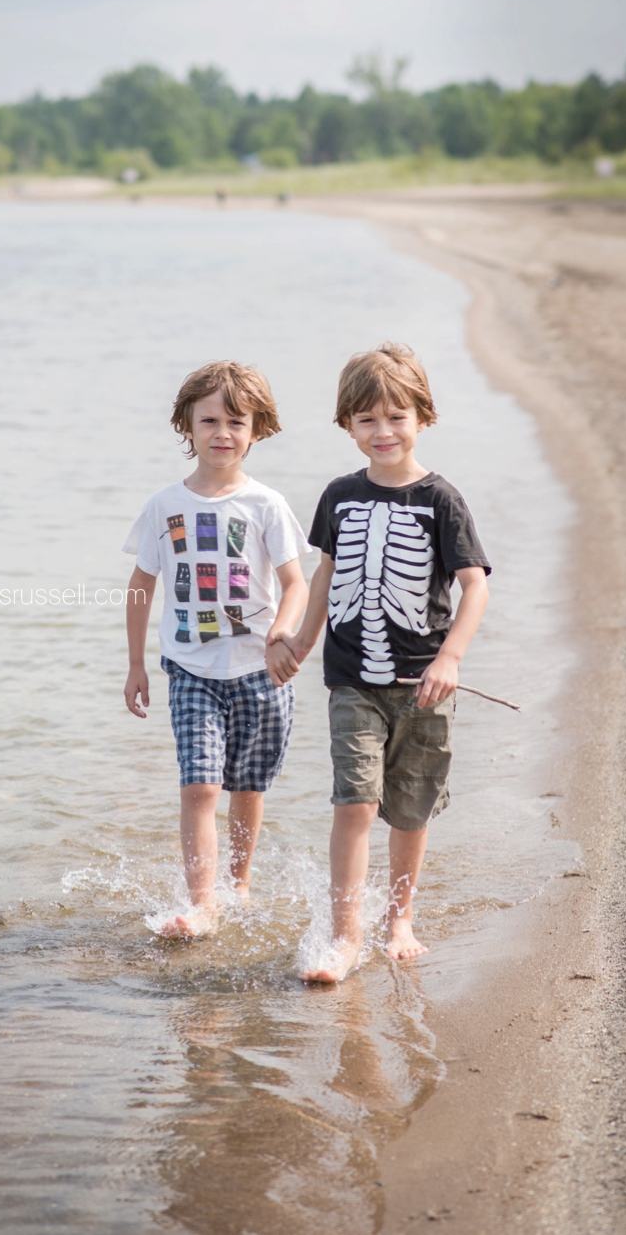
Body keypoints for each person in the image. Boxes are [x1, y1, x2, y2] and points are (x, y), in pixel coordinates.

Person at [284, 342, 490, 984]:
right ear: (347, 425)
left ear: (422, 417)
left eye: (396, 417)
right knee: (353, 802)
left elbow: (475, 583)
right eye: (367, 420)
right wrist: (299, 638)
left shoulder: (441, 500)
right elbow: (325, 574)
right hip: (351, 683)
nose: (383, 431)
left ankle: (399, 917)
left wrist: (451, 656)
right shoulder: (339, 496)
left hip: (423, 685)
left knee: (410, 808)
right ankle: (344, 935)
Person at [123, 361, 310, 938]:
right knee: (202, 785)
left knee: (247, 785)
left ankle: (240, 881)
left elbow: (296, 584)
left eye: (236, 421)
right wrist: (135, 664)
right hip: (189, 668)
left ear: (257, 429)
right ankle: (202, 903)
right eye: (209, 420)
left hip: (260, 669)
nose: (222, 432)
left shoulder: (265, 505)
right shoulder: (164, 506)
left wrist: (282, 634)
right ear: (187, 425)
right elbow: (140, 585)